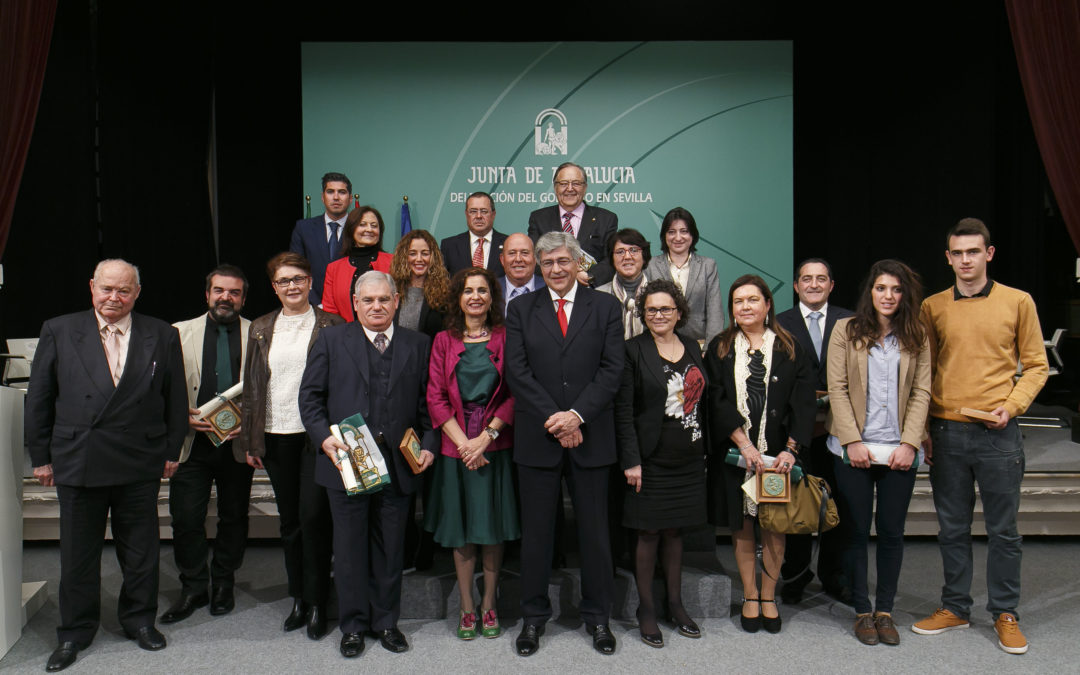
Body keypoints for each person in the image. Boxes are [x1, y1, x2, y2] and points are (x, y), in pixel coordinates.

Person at [25, 259, 187, 672]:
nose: (114, 298)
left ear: (137, 292)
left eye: (124, 290)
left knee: (141, 551)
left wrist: (172, 449)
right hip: (79, 457)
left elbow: (174, 398)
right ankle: (75, 631)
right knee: (78, 554)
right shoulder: (59, 329)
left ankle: (139, 621)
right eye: (107, 289)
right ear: (92, 287)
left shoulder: (161, 333)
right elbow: (40, 397)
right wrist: (40, 457)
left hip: (139, 457)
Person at [912, 218, 1048, 655]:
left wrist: (1012, 406)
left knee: (1003, 531)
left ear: (989, 254)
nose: (965, 260)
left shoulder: (1018, 301)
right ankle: (955, 607)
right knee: (952, 529)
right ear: (948, 257)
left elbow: (1037, 365)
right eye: (958, 253)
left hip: (999, 433)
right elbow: (923, 371)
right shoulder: (932, 306)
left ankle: (1005, 612)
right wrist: (925, 428)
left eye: (974, 252)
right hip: (948, 432)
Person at [299, 270, 438, 659]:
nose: (376, 306)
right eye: (367, 300)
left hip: (398, 465)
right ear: (355, 303)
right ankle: (354, 625)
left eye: (383, 299)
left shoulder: (419, 343)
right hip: (345, 463)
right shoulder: (330, 340)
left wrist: (429, 443)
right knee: (348, 549)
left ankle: (386, 623)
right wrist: (322, 437)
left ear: (397, 302)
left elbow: (430, 402)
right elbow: (310, 397)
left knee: (391, 549)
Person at [505, 231, 625, 657]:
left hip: (590, 435)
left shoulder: (606, 307)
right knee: (536, 535)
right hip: (538, 437)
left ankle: (598, 618)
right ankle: (533, 619)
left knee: (595, 534)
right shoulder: (520, 309)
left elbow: (612, 370)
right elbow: (517, 373)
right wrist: (557, 420)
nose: (556, 269)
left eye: (563, 261)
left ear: (578, 264)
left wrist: (576, 416)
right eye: (548, 263)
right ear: (539, 267)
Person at [235, 252, 344, 641]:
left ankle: (318, 601)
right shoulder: (262, 327)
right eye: (284, 281)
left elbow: (343, 384)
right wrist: (251, 439)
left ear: (310, 281)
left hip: (318, 438)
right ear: (274, 287)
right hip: (276, 435)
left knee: (315, 518)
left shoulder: (332, 324)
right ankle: (298, 597)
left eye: (298, 278)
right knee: (290, 523)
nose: (292, 286)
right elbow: (252, 387)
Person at [826, 259, 931, 645]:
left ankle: (884, 610)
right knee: (854, 532)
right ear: (870, 292)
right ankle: (860, 610)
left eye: (896, 289)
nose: (888, 296)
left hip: (898, 451)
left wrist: (909, 443)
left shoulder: (917, 333)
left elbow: (922, 391)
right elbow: (836, 388)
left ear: (906, 294)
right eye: (881, 288)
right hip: (852, 448)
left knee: (891, 533)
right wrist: (852, 440)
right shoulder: (846, 330)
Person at [704, 274, 815, 635]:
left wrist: (791, 449)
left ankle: (769, 595)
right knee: (743, 525)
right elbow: (715, 400)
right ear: (732, 309)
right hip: (738, 456)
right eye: (739, 301)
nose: (746, 307)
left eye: (753, 300)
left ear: (768, 305)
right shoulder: (720, 347)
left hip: (777, 459)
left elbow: (804, 404)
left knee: (774, 526)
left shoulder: (791, 347)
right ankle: (750, 595)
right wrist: (744, 444)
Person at [425, 267, 519, 640]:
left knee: (492, 531)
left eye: (482, 290)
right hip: (456, 447)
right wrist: (465, 443)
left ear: (492, 298)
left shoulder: (506, 338)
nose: (475, 296)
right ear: (458, 298)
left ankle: (489, 603)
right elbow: (434, 396)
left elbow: (514, 394)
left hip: (495, 445)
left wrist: (485, 439)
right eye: (468, 291)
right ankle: (466, 605)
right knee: (463, 532)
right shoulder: (443, 340)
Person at [614, 280, 706, 648]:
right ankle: (647, 610)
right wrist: (632, 461)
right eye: (651, 310)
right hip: (650, 461)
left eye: (666, 309)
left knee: (675, 532)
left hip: (689, 458)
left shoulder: (695, 349)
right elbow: (623, 413)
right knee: (648, 533)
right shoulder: (632, 351)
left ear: (679, 312)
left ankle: (676, 605)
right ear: (643, 314)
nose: (658, 315)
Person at [162, 265, 253, 625]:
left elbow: (269, 387)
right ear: (207, 294)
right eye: (219, 290)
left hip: (235, 442)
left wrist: (248, 421)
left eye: (233, 293)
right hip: (191, 443)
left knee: (234, 518)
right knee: (185, 519)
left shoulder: (259, 333)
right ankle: (194, 586)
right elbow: (161, 387)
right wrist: (180, 416)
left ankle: (223, 584)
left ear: (243, 298)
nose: (225, 298)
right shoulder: (177, 333)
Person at [775, 258, 855, 604]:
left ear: (831, 285)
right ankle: (795, 574)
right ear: (796, 286)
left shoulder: (851, 322)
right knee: (797, 505)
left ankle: (833, 575)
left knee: (839, 504)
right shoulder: (779, 323)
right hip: (796, 432)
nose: (813, 284)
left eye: (821, 279)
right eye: (806, 279)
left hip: (841, 430)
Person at [527, 162, 617, 287]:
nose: (570, 188)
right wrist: (570, 274)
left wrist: (590, 276)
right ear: (555, 188)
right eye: (563, 184)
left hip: (591, 291)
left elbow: (612, 258)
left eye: (576, 183)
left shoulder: (606, 219)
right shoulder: (539, 218)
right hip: (551, 291)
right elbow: (534, 258)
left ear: (585, 187)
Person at [645, 207, 724, 346]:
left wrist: (710, 350)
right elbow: (645, 311)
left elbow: (715, 313)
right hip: (658, 345)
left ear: (693, 235)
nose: (678, 237)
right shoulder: (650, 265)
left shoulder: (708, 266)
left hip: (699, 344)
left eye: (684, 231)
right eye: (671, 232)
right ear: (664, 235)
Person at [321, 205, 393, 322]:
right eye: (362, 224)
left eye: (374, 226)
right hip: (345, 336)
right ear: (351, 229)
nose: (369, 229)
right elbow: (330, 312)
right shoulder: (334, 268)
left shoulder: (394, 262)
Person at [290, 171, 352, 304]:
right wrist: (317, 304)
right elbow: (296, 269)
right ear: (323, 197)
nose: (336, 197)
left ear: (350, 198)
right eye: (330, 191)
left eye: (342, 192)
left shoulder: (358, 229)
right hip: (312, 305)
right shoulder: (303, 228)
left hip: (350, 307)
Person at [390, 229, 450, 340]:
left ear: (433, 257)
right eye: (412, 253)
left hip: (430, 356)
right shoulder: (391, 290)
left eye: (425, 253)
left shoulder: (445, 294)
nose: (419, 259)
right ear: (404, 257)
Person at [597, 228, 652, 339]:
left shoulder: (658, 295)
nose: (627, 257)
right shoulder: (598, 296)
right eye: (620, 252)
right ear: (612, 258)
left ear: (644, 256)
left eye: (633, 250)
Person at [440, 191, 508, 277]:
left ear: (493, 214)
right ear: (466, 214)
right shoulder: (449, 246)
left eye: (484, 211)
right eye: (473, 211)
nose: (478, 216)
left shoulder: (508, 243)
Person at [499, 232, 543, 308]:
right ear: (502, 259)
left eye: (525, 253)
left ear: (535, 258)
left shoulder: (549, 288)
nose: (518, 259)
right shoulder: (491, 289)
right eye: (512, 253)